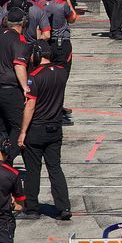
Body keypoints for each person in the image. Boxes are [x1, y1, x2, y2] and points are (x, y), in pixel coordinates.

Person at [19, 44, 72, 219]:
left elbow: (30, 107)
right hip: (55, 127)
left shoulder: (34, 78)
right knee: (55, 168)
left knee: (33, 170)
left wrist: (23, 132)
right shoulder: (61, 72)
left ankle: (32, 207)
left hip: (36, 128)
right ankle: (64, 206)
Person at [0, 6, 32, 140]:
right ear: (23, 23)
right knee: (18, 128)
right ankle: (9, 158)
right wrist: (25, 88)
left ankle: (0, 157)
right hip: (9, 90)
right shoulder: (19, 40)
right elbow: (19, 65)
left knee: (0, 129)